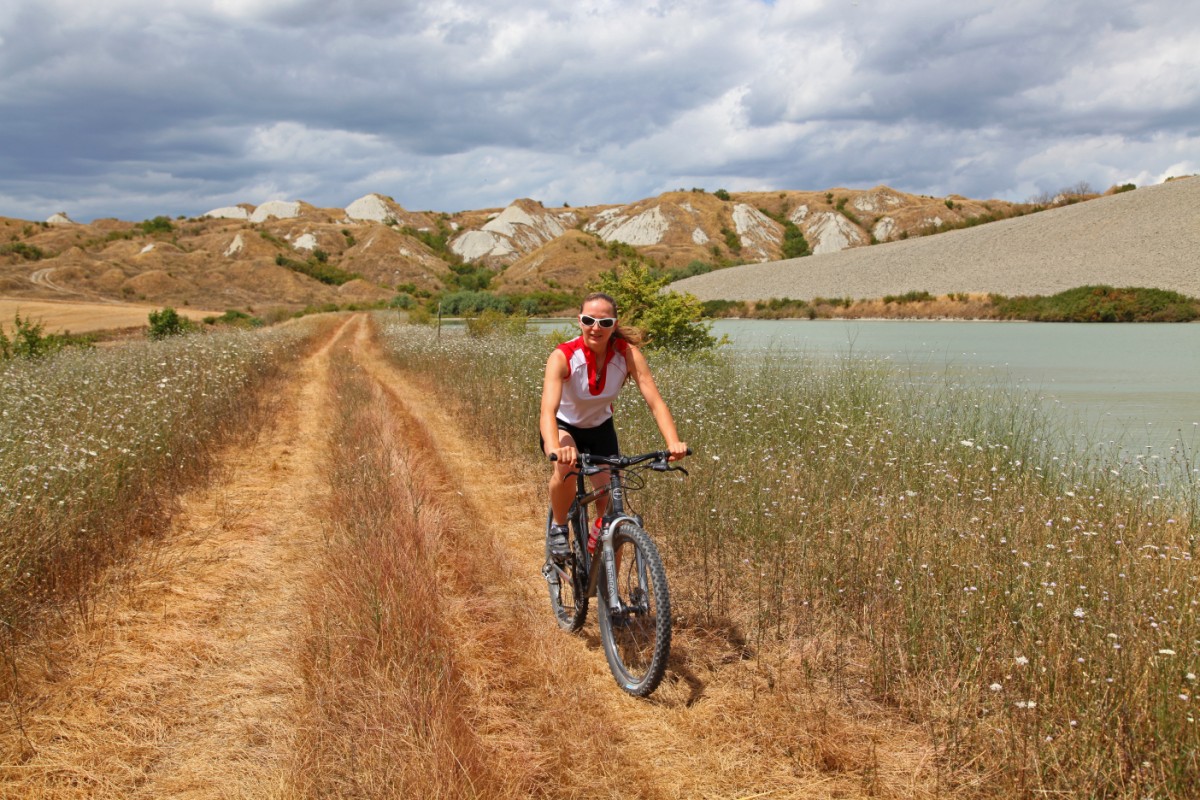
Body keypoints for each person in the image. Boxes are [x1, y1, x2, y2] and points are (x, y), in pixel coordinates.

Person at [540, 292, 688, 561]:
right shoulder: (563, 356)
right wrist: (554, 448)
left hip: (600, 429)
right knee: (567, 468)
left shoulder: (628, 355)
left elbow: (655, 402)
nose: (596, 328)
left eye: (605, 322)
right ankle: (559, 527)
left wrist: (673, 442)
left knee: (610, 508)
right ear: (579, 321)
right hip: (564, 426)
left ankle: (610, 596)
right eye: (589, 320)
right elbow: (548, 410)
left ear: (614, 324)